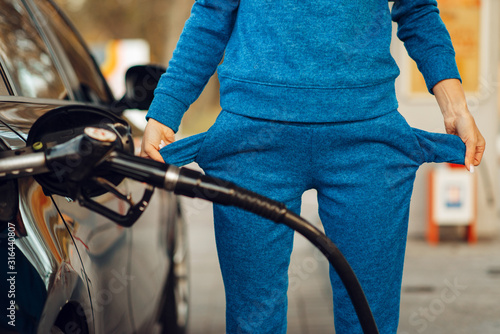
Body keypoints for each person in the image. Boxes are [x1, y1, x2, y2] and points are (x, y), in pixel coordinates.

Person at [141, 1, 485, 333]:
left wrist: (455, 109)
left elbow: (417, 8)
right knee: (253, 322)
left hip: (366, 139)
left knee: (369, 320)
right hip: (253, 141)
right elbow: (213, 13)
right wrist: (165, 109)